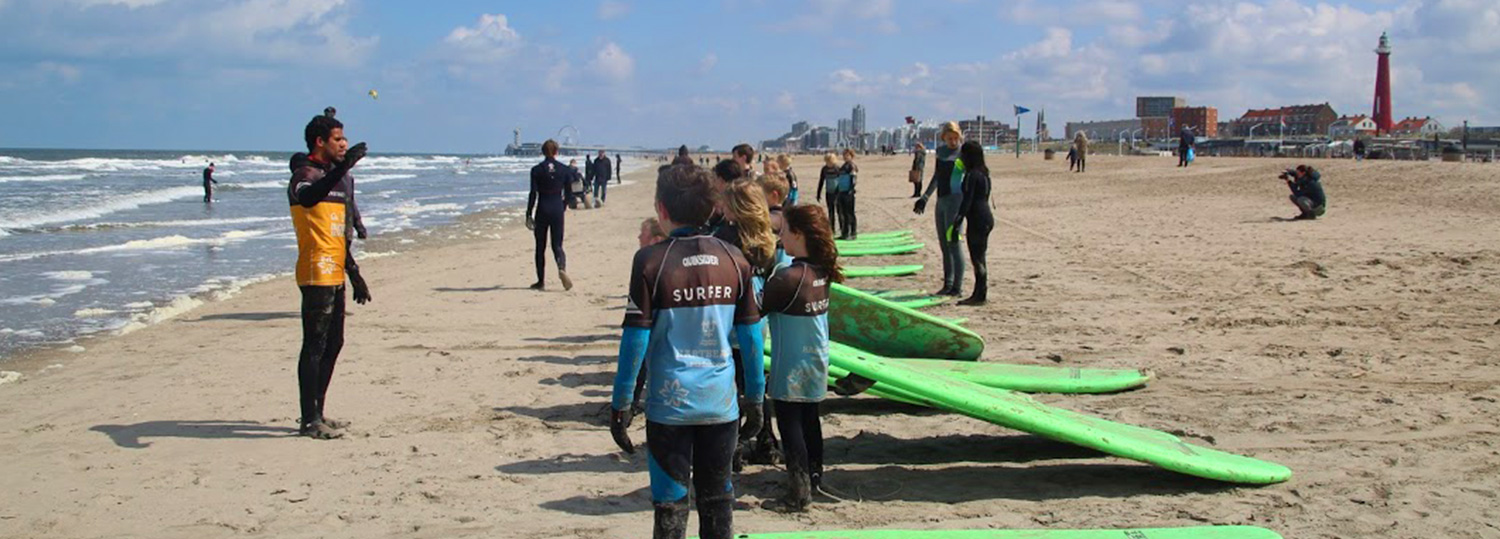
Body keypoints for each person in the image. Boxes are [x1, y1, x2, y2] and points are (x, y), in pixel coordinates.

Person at [609, 164, 765, 539]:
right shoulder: (734, 259)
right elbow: (753, 338)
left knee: (670, 508)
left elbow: (635, 338)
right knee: (717, 501)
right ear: (713, 207)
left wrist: (622, 402)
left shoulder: (650, 261)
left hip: (670, 407)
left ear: (661, 209)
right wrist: (756, 398)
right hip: (720, 402)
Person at [286, 115, 373, 440]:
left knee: (334, 342)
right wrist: (341, 168)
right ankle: (309, 420)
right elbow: (308, 197)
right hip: (315, 270)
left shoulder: (334, 178)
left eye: (345, 139)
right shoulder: (303, 175)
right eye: (337, 139)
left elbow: (338, 235)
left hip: (336, 268)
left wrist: (355, 275)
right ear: (320, 142)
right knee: (315, 345)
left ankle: (319, 412)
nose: (344, 144)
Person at [760, 203, 841, 513]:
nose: (780, 239)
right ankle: (815, 475)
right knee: (810, 418)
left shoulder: (788, 276)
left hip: (791, 362)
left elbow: (755, 308)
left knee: (790, 423)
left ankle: (798, 492)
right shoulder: (822, 270)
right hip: (817, 356)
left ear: (798, 234)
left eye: (782, 232)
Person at [915, 122, 966, 297]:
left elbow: (973, 178)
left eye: (955, 138)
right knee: (944, 246)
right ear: (943, 137)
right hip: (942, 201)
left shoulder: (964, 153)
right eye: (949, 138)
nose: (953, 142)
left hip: (956, 202)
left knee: (954, 244)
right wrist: (925, 197)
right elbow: (937, 176)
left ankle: (957, 287)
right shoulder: (941, 152)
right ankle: (948, 284)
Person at [949, 141, 995, 306]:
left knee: (977, 258)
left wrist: (957, 220)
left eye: (963, 154)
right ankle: (980, 292)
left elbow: (967, 201)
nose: (961, 156)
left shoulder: (971, 175)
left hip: (977, 219)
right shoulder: (984, 174)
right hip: (986, 217)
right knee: (980, 256)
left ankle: (979, 295)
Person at [525, 140, 574, 291]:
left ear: (542, 151)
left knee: (540, 247)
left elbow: (533, 193)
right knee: (557, 245)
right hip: (557, 208)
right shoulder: (565, 169)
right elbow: (569, 192)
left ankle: (540, 282)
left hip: (543, 208)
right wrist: (564, 205)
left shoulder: (536, 170)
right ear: (557, 151)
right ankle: (561, 268)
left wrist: (528, 213)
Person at [834, 149, 858, 240]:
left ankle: (853, 232)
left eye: (847, 155)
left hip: (849, 193)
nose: (845, 157)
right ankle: (845, 233)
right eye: (844, 155)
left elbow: (854, 179)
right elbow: (839, 180)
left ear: (851, 156)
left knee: (850, 213)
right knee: (843, 213)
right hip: (842, 192)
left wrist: (851, 190)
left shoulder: (852, 166)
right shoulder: (843, 166)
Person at [814, 153, 841, 234]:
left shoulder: (837, 168)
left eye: (830, 161)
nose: (828, 163)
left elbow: (842, 181)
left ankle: (843, 229)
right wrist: (818, 193)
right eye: (827, 161)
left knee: (839, 211)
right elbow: (821, 181)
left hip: (838, 193)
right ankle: (832, 229)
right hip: (829, 192)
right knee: (831, 211)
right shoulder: (824, 169)